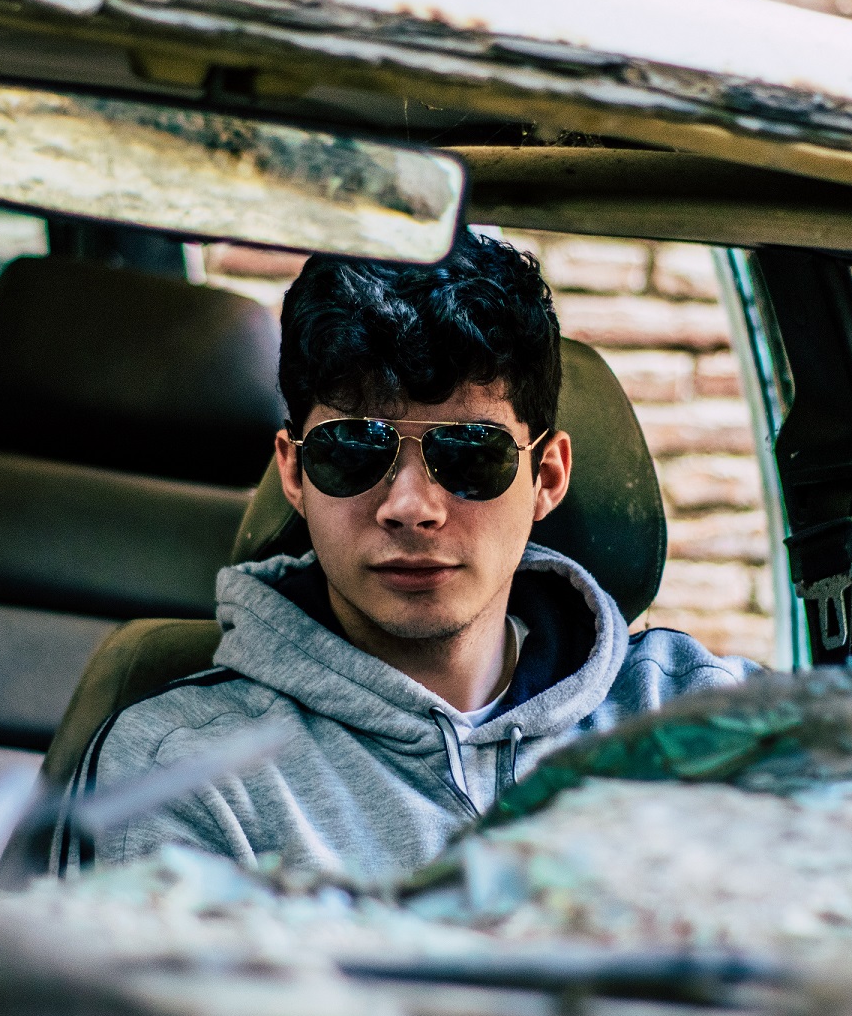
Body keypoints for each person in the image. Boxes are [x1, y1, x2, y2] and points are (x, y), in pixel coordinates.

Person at [59, 231, 756, 883]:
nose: (411, 507)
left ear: (546, 476)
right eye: (353, 451)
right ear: (295, 475)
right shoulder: (183, 770)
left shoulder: (701, 715)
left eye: (471, 455)